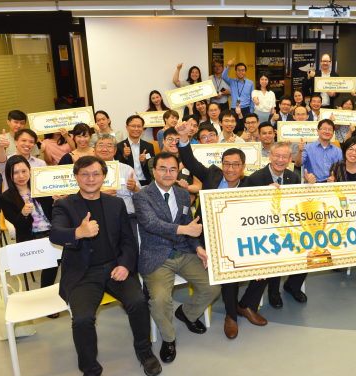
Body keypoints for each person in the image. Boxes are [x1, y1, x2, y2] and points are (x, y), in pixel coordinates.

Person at [49, 156, 161, 376]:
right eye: (85, 174)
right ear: (76, 177)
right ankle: (89, 367)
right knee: (82, 319)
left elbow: (128, 240)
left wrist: (125, 266)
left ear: (104, 177)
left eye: (96, 174)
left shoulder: (116, 203)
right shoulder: (64, 205)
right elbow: (55, 233)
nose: (91, 178)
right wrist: (78, 232)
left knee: (138, 301)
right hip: (83, 274)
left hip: (115, 267)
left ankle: (144, 351)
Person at [174, 121, 267, 339]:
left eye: (235, 165)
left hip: (238, 238)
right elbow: (189, 161)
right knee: (229, 268)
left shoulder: (249, 185)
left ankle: (246, 305)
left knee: (267, 266)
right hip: (208, 239)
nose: (230, 169)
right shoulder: (212, 176)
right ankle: (231, 316)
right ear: (221, 164)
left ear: (243, 167)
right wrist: (184, 139)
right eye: (227, 164)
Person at [134, 152, 219, 357]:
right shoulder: (141, 196)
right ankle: (169, 339)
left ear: (178, 171)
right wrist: (184, 230)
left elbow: (190, 223)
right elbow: (151, 224)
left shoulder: (182, 193)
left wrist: (198, 246)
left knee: (214, 285)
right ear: (153, 171)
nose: (167, 173)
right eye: (162, 168)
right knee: (160, 300)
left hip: (184, 251)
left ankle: (187, 313)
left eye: (172, 169)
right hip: (157, 256)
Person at [249, 141, 316, 310]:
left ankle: (292, 285)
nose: (280, 160)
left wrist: (309, 187)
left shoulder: (293, 177)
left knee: (310, 244)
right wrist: (264, 193)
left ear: (290, 159)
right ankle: (273, 291)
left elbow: (298, 205)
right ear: (270, 156)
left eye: (284, 157)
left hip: (288, 227)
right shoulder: (255, 178)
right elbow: (247, 209)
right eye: (277, 155)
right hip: (263, 231)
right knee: (276, 248)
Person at [0, 155, 59, 296]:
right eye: (15, 172)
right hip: (31, 237)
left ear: (30, 170)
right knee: (54, 258)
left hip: (52, 231)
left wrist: (57, 202)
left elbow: (54, 214)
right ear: (9, 175)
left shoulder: (41, 188)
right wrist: (24, 214)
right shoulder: (5, 198)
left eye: (24, 171)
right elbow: (19, 226)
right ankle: (47, 296)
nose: (21, 176)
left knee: (76, 248)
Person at [0, 110, 40, 213]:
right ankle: (7, 213)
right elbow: (0, 160)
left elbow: (32, 161)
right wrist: (1, 147)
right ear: (8, 122)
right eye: (15, 122)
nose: (19, 125)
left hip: (26, 172)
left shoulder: (28, 138)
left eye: (21, 123)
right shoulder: (0, 138)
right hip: (4, 172)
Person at [93, 134, 142, 238]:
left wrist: (134, 188)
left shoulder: (127, 169)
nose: (105, 149)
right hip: (98, 218)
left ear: (115, 150)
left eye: (109, 146)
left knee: (131, 249)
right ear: (94, 149)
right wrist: (98, 194)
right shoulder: (87, 171)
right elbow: (81, 196)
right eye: (101, 145)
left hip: (127, 217)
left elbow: (141, 197)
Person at [148, 127, 200, 204]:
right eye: (170, 139)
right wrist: (183, 165)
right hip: (159, 201)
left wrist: (187, 188)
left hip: (184, 201)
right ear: (163, 141)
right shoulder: (154, 161)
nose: (174, 143)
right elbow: (162, 176)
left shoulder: (189, 160)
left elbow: (198, 187)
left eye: (178, 140)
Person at [116, 115, 155, 186]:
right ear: (127, 128)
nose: (136, 129)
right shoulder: (120, 146)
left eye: (139, 126)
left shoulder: (149, 146)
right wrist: (124, 157)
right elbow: (117, 168)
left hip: (146, 182)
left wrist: (145, 162)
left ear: (142, 128)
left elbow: (154, 167)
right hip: (128, 182)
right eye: (133, 126)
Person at [222, 58, 254, 133]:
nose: (241, 72)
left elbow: (252, 98)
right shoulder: (232, 81)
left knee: (246, 129)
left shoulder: (250, 83)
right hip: (234, 109)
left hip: (246, 109)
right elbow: (223, 76)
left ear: (245, 72)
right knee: (234, 128)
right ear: (236, 72)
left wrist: (251, 111)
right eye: (239, 70)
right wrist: (228, 66)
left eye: (242, 70)